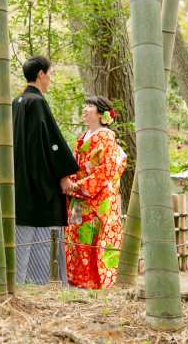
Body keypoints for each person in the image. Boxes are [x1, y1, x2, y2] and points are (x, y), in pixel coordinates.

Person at [12, 55, 79, 286]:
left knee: (21, 236)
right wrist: (62, 176)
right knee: (42, 229)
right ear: (41, 73)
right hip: (36, 182)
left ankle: (21, 281)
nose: (51, 79)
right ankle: (40, 283)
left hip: (19, 179)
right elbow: (49, 142)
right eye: (50, 74)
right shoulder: (37, 102)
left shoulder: (17, 101)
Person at [65, 96, 127, 289]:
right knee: (77, 237)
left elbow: (108, 167)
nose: (85, 109)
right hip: (79, 194)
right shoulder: (85, 136)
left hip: (96, 196)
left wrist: (81, 185)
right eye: (85, 106)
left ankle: (95, 283)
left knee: (94, 237)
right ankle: (78, 280)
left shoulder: (106, 136)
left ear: (101, 114)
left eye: (90, 106)